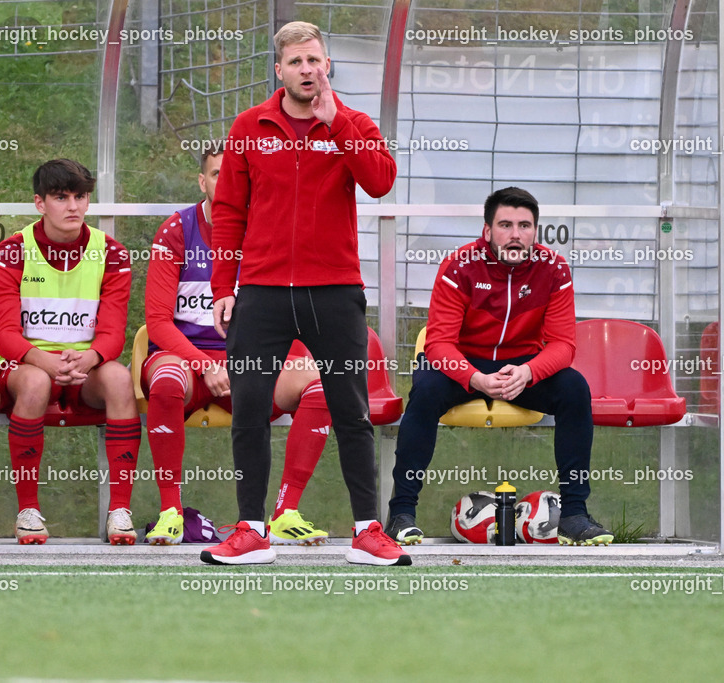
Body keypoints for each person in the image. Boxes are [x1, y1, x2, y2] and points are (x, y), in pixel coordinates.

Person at [205, 21, 408, 565]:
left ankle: (367, 530)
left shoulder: (352, 122)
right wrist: (225, 286)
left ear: (327, 66)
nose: (307, 70)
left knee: (351, 410)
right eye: (296, 62)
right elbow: (227, 212)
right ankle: (251, 530)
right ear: (279, 70)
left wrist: (336, 123)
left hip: (335, 291)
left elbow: (381, 180)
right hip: (263, 293)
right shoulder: (249, 126)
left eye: (315, 61)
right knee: (249, 410)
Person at [385, 186, 614, 546]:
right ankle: (401, 514)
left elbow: (563, 345)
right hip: (464, 361)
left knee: (574, 389)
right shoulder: (459, 265)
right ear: (488, 230)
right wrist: (475, 378)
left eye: (525, 225)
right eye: (505, 224)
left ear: (535, 231)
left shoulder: (554, 269)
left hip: (522, 363)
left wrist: (528, 372)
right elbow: (439, 343)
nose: (515, 234)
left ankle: (573, 515)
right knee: (426, 390)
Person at [144, 141, 332, 546]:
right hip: (187, 360)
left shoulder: (270, 230)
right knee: (166, 380)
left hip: (249, 361)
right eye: (217, 174)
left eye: (235, 176)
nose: (227, 183)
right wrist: (205, 365)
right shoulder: (176, 231)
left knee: (321, 383)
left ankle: (285, 512)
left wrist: (243, 363)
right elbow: (158, 323)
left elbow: (285, 315)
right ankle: (170, 512)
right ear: (202, 180)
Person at [0, 158, 141, 545]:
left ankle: (120, 511)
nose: (73, 206)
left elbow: (112, 334)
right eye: (61, 197)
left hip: (83, 367)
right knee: (38, 382)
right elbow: (5, 335)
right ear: (39, 203)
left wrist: (89, 358)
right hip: (29, 365)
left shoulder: (112, 253)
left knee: (120, 379)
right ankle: (28, 511)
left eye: (81, 196)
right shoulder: (11, 251)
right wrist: (48, 362)